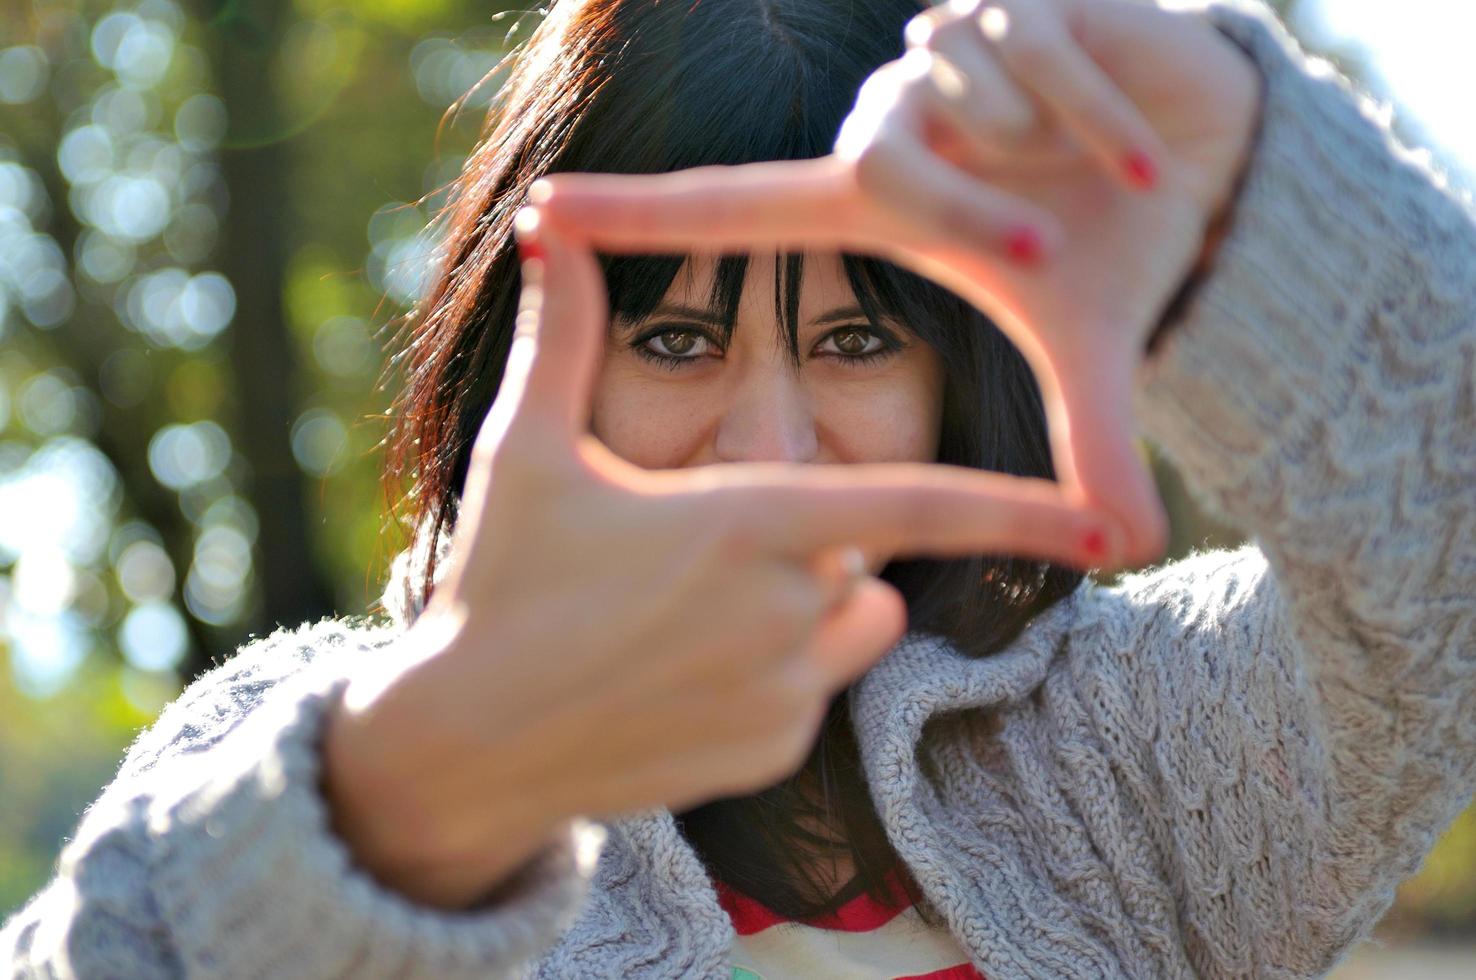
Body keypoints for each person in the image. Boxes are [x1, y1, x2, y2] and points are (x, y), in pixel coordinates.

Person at [4, 0, 1473, 975]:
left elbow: (1441, 589)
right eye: (676, 336)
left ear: (959, 372)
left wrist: (1263, 202)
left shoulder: (1127, 746)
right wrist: (417, 794)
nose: (767, 449)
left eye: (854, 339)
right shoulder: (304, 752)